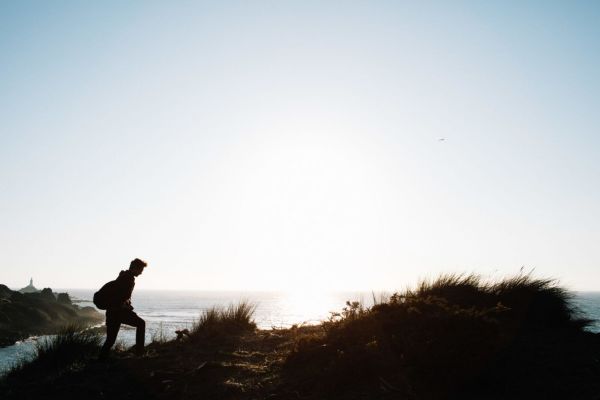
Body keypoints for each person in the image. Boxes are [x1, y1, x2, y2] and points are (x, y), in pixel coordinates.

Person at [99, 258, 147, 359]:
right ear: (134, 268)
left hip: (112, 312)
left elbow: (120, 296)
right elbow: (121, 297)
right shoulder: (128, 279)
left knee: (110, 340)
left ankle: (101, 359)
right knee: (141, 324)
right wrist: (126, 305)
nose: (141, 273)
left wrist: (126, 303)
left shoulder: (123, 276)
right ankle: (139, 353)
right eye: (141, 270)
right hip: (119, 312)